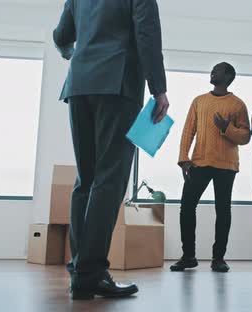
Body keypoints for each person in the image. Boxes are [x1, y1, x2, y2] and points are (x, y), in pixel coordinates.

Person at [53, 0, 169, 299]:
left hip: (78, 85)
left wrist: (77, 57)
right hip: (117, 83)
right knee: (109, 180)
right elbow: (147, 35)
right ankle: (90, 274)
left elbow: (61, 35)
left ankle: (81, 269)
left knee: (86, 179)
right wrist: (158, 89)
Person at [171, 62, 250, 273]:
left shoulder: (237, 105)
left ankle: (219, 259)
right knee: (187, 207)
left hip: (226, 165)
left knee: (223, 211)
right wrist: (183, 158)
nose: (212, 71)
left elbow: (245, 137)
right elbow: (188, 130)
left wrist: (226, 127)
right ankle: (188, 256)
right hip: (199, 162)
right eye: (212, 69)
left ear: (229, 76)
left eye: (217, 70)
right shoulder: (199, 101)